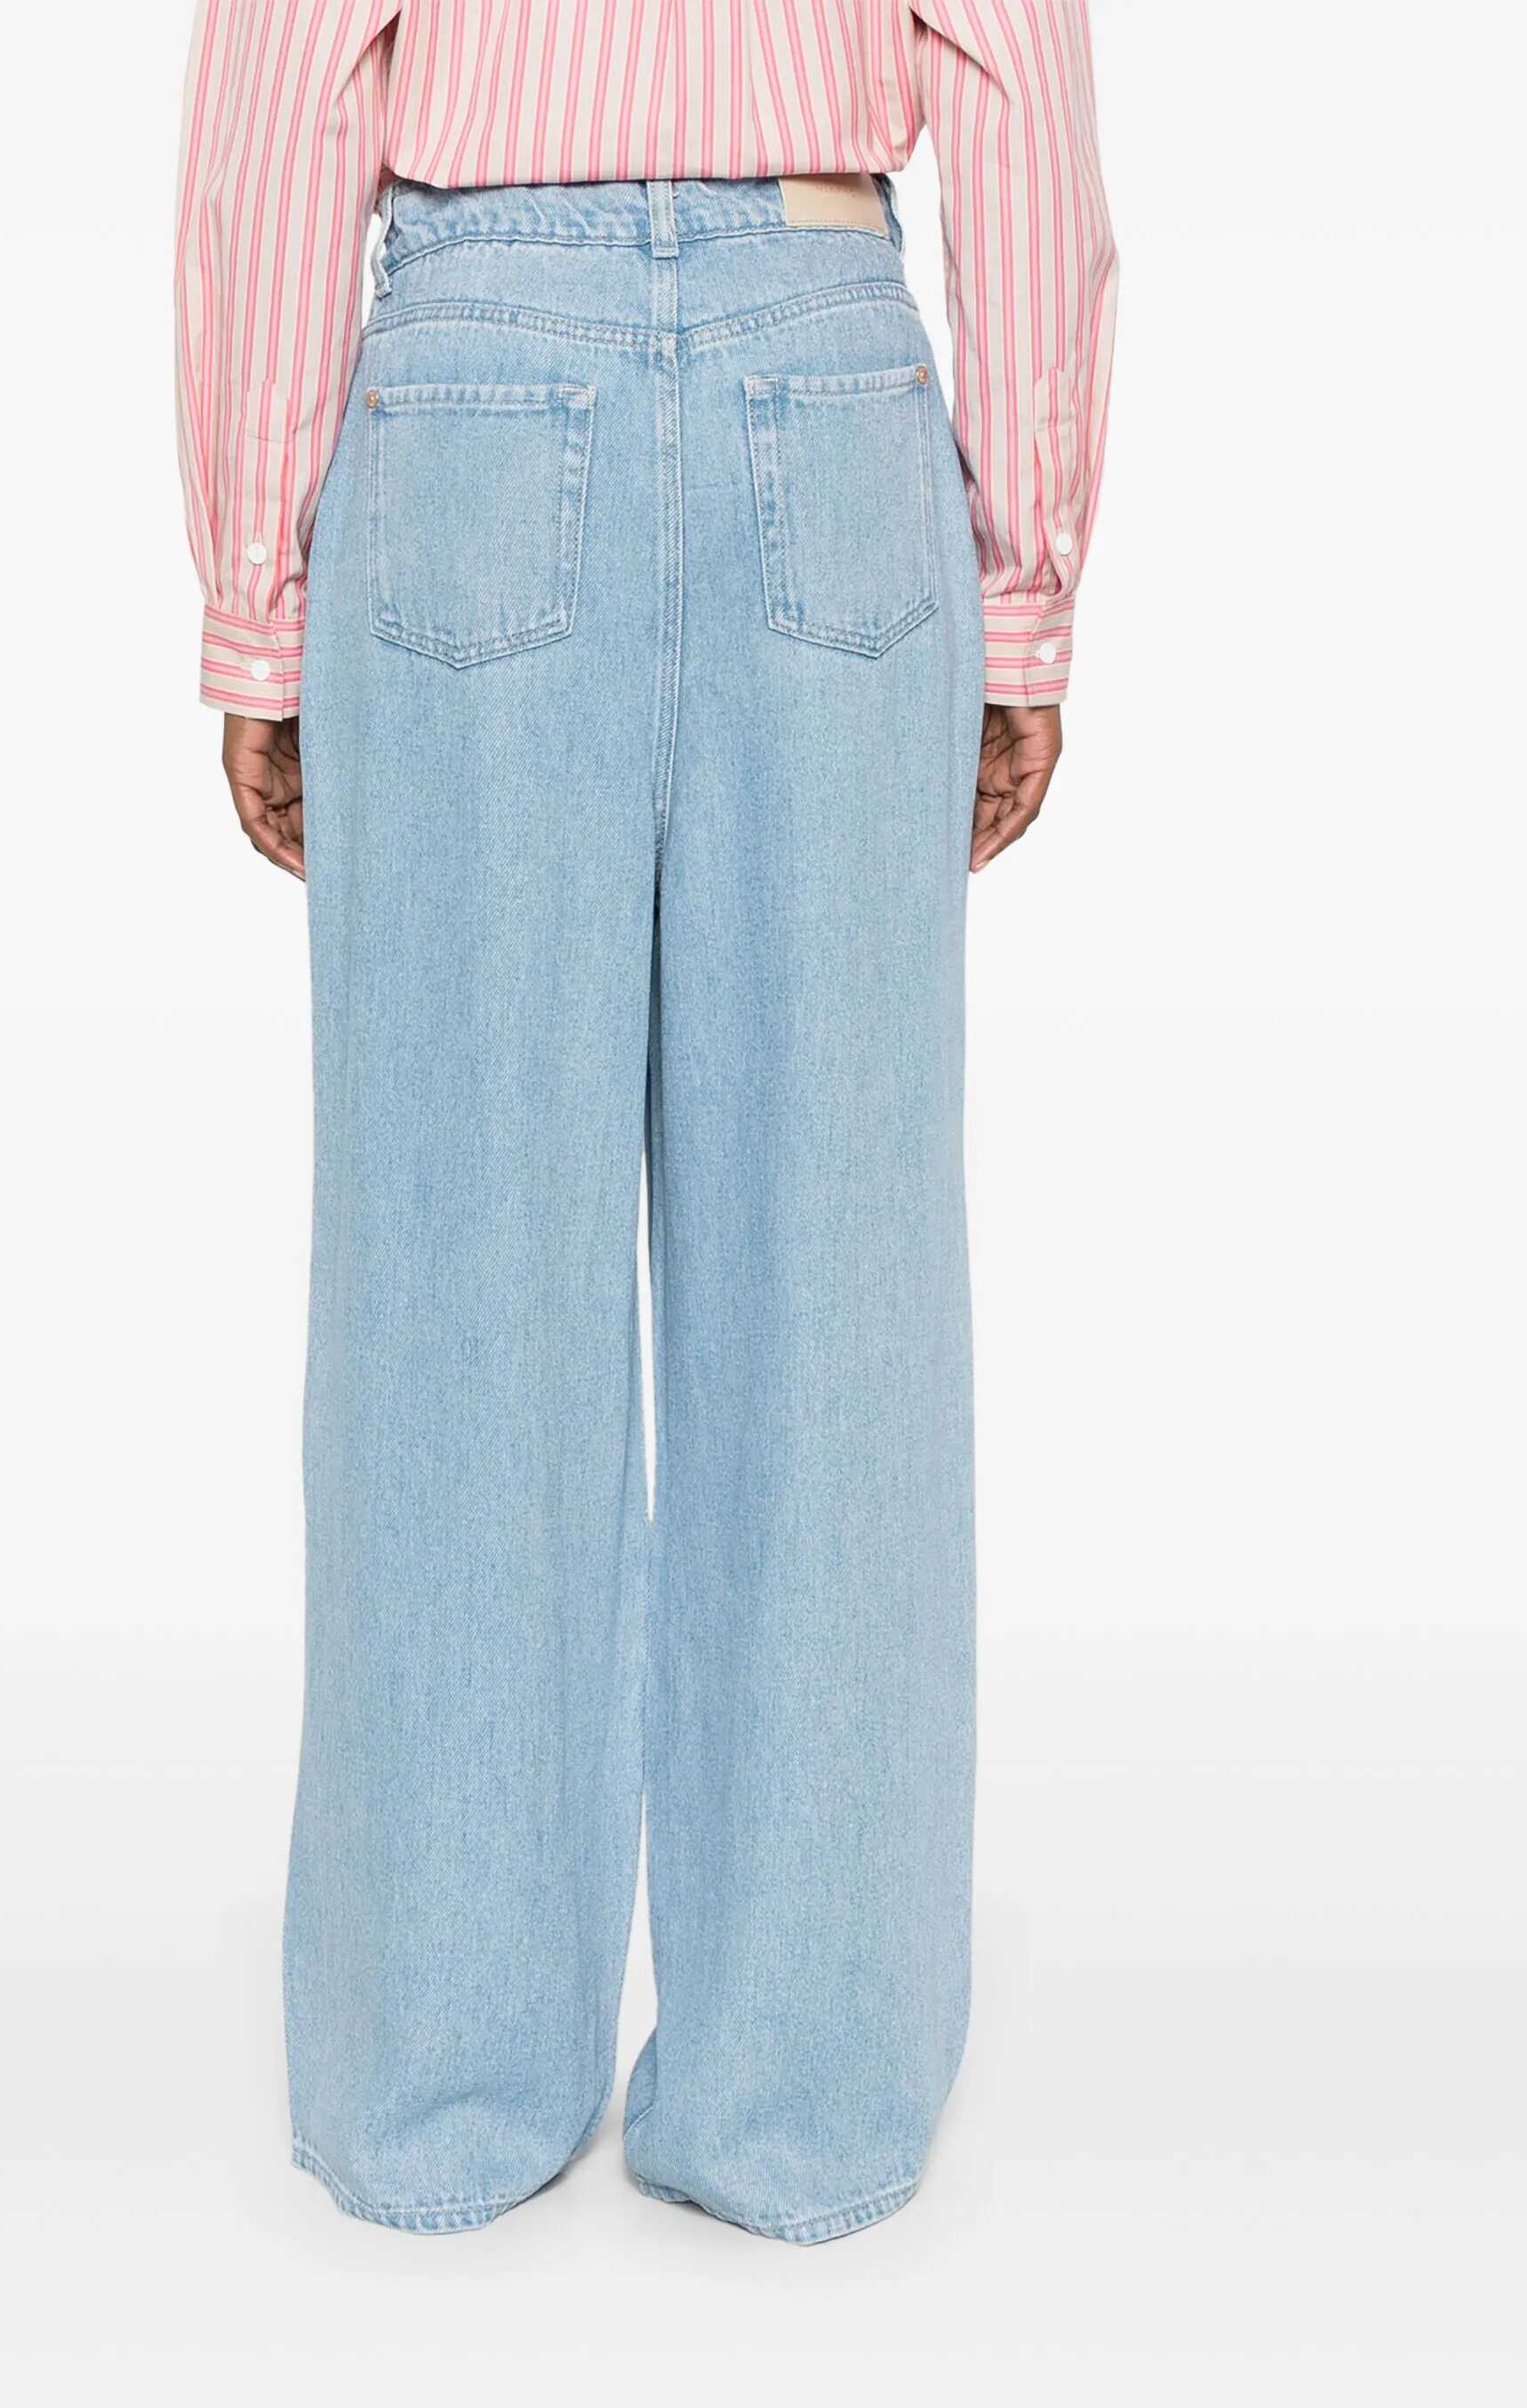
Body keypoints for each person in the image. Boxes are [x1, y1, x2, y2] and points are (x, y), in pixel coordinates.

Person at [175, 0, 1115, 2245]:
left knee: (448, 1294)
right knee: (836, 1294)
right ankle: (807, 2101)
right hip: (827, 364)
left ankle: (433, 2084)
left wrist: (256, 604)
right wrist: (1022, 585)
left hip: (473, 380)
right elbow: (1016, 86)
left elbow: (281, 96)